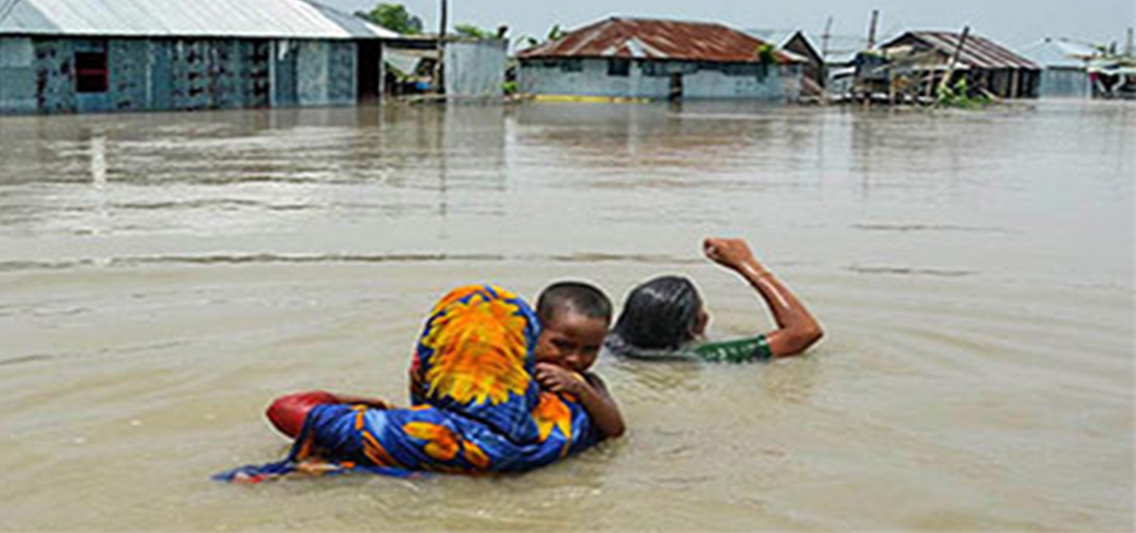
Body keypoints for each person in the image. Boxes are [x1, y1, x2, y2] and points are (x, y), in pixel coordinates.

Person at [220, 283, 616, 482]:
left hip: (441, 452)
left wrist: (360, 403)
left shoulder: (430, 430)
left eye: (587, 351)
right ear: (526, 336)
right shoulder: (563, 417)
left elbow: (286, 410)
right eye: (562, 346)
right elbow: (613, 430)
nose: (573, 360)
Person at [607, 238, 823, 363]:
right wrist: (746, 264)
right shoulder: (701, 356)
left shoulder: (602, 344)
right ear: (693, 329)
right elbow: (804, 331)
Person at [530, 281, 625, 438]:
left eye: (590, 349)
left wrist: (579, 389)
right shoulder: (513, 369)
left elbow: (616, 429)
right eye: (563, 345)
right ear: (535, 330)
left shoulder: (589, 383)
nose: (574, 359)